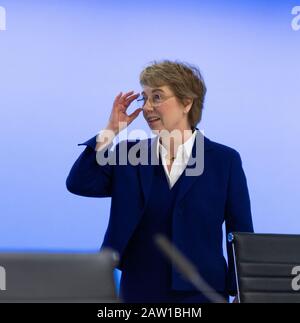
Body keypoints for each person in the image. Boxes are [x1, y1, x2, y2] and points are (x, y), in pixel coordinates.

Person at [66, 60, 254, 303]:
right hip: (139, 290)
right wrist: (111, 129)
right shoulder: (129, 155)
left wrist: (242, 291)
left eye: (157, 97)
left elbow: (239, 232)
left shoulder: (224, 160)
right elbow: (80, 182)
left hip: (203, 293)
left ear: (187, 102)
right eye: (144, 98)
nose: (146, 108)